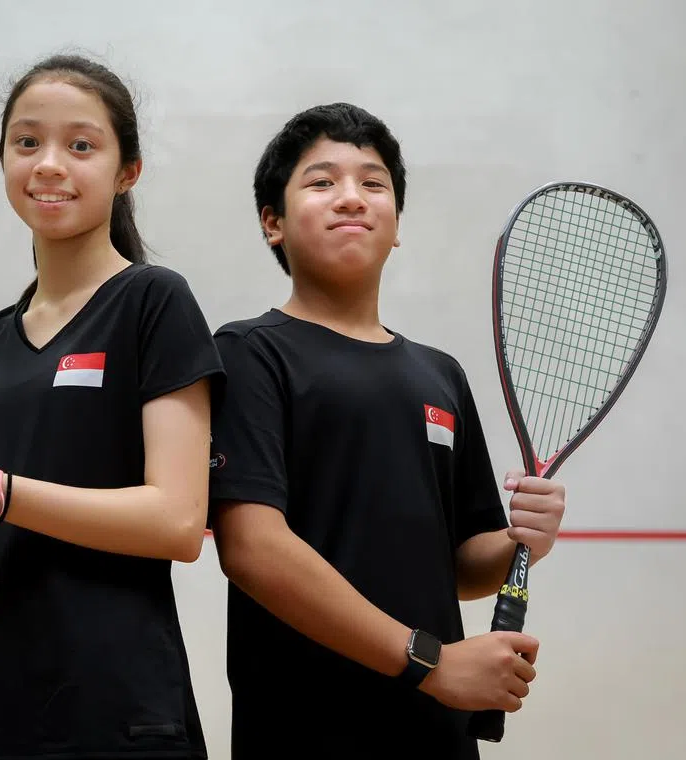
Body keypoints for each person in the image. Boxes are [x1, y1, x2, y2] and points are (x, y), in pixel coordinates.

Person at [0, 54, 223, 760]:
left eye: (81, 145)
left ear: (128, 172)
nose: (50, 164)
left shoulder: (155, 304)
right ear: (3, 160)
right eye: (27, 142)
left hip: (115, 710)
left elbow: (178, 523)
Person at [207, 102, 567, 758]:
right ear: (273, 223)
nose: (352, 198)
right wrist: (430, 662)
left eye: (374, 184)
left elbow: (461, 563)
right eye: (321, 182)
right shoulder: (249, 353)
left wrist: (523, 540)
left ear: (396, 223)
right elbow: (253, 549)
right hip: (302, 730)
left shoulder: (440, 376)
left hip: (436, 732)